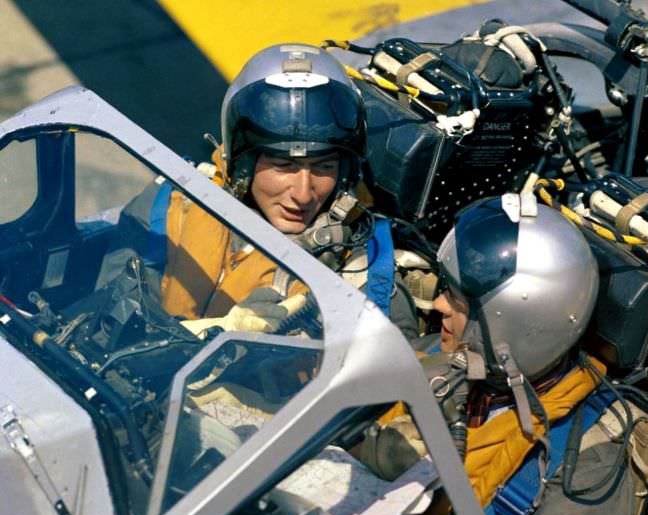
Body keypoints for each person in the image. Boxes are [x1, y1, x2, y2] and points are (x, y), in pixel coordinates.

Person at [350, 193, 637, 515]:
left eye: (457, 300)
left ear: (514, 327)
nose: (438, 307)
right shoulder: (446, 353)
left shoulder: (586, 466)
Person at [100, 43, 417, 338]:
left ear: (345, 171)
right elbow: (107, 320)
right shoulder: (170, 206)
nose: (304, 194)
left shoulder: (362, 281)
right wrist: (221, 330)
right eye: (283, 166)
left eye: (324, 167)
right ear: (243, 165)